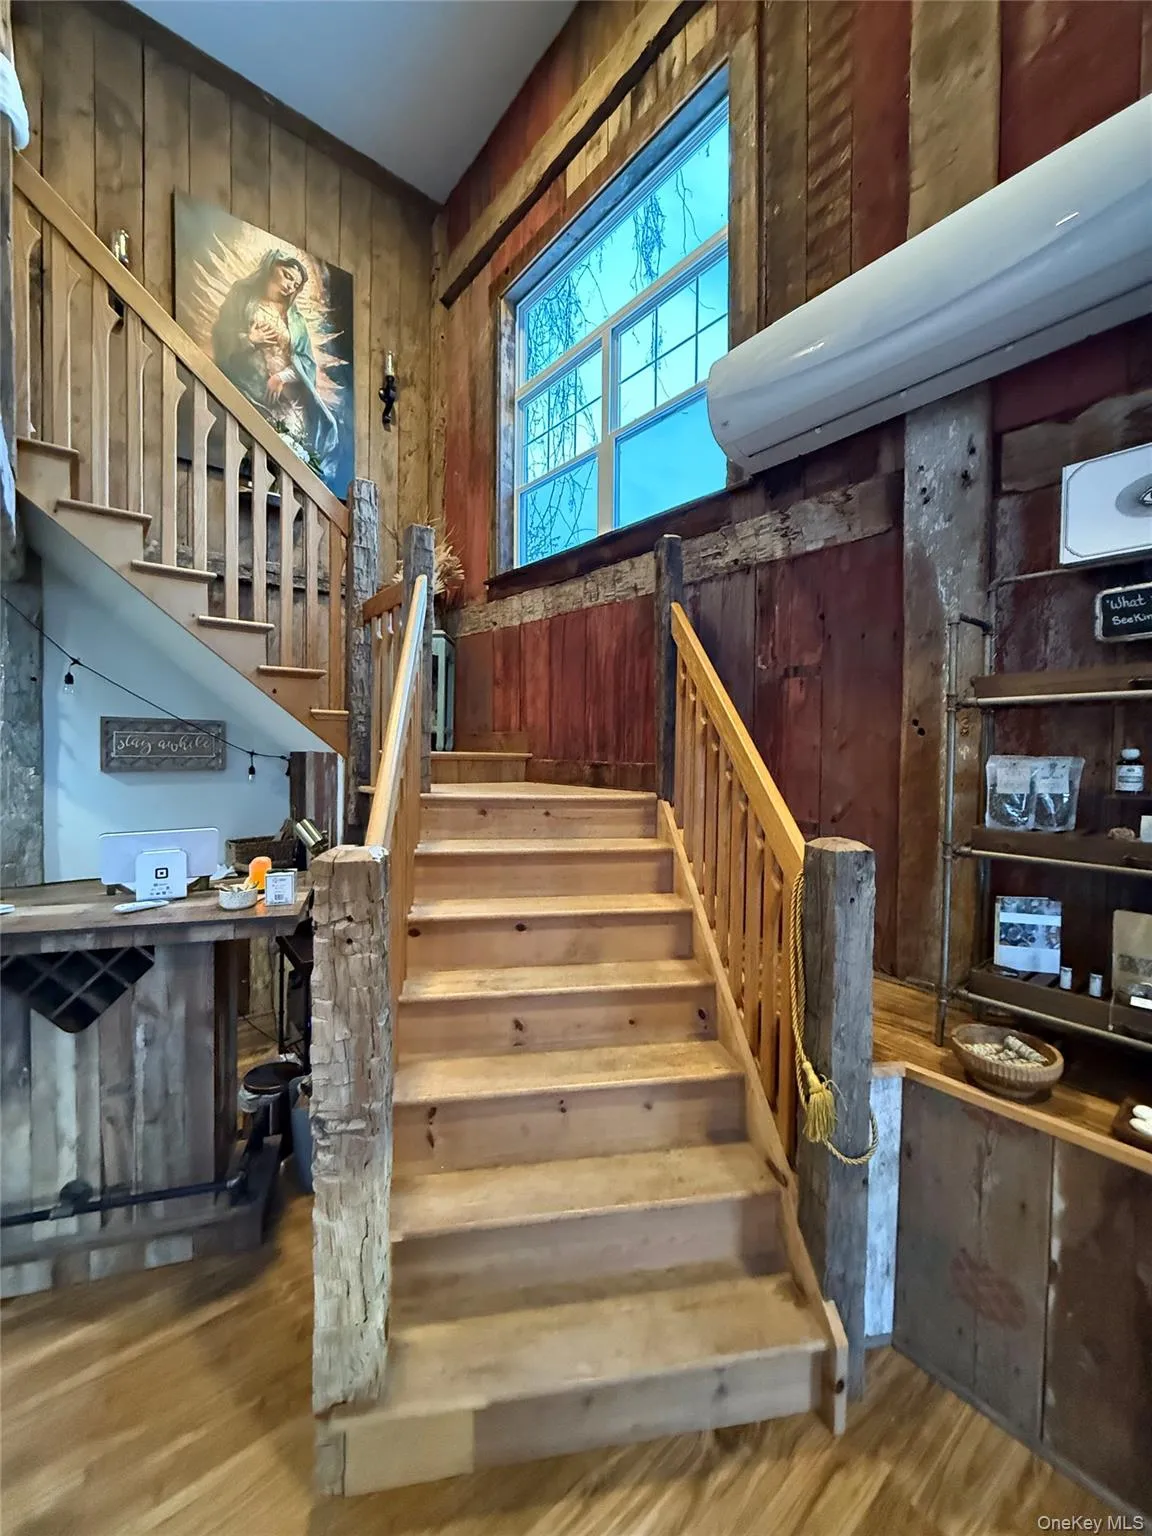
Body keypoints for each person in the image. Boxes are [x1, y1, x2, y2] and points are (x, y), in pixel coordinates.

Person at [211, 249, 338, 473]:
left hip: (287, 399)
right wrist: (248, 339)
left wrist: (281, 377)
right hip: (248, 387)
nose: (290, 286)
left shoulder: (295, 320)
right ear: (271, 267)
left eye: (296, 284)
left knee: (288, 461)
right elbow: (222, 333)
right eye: (288, 276)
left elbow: (305, 362)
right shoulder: (243, 298)